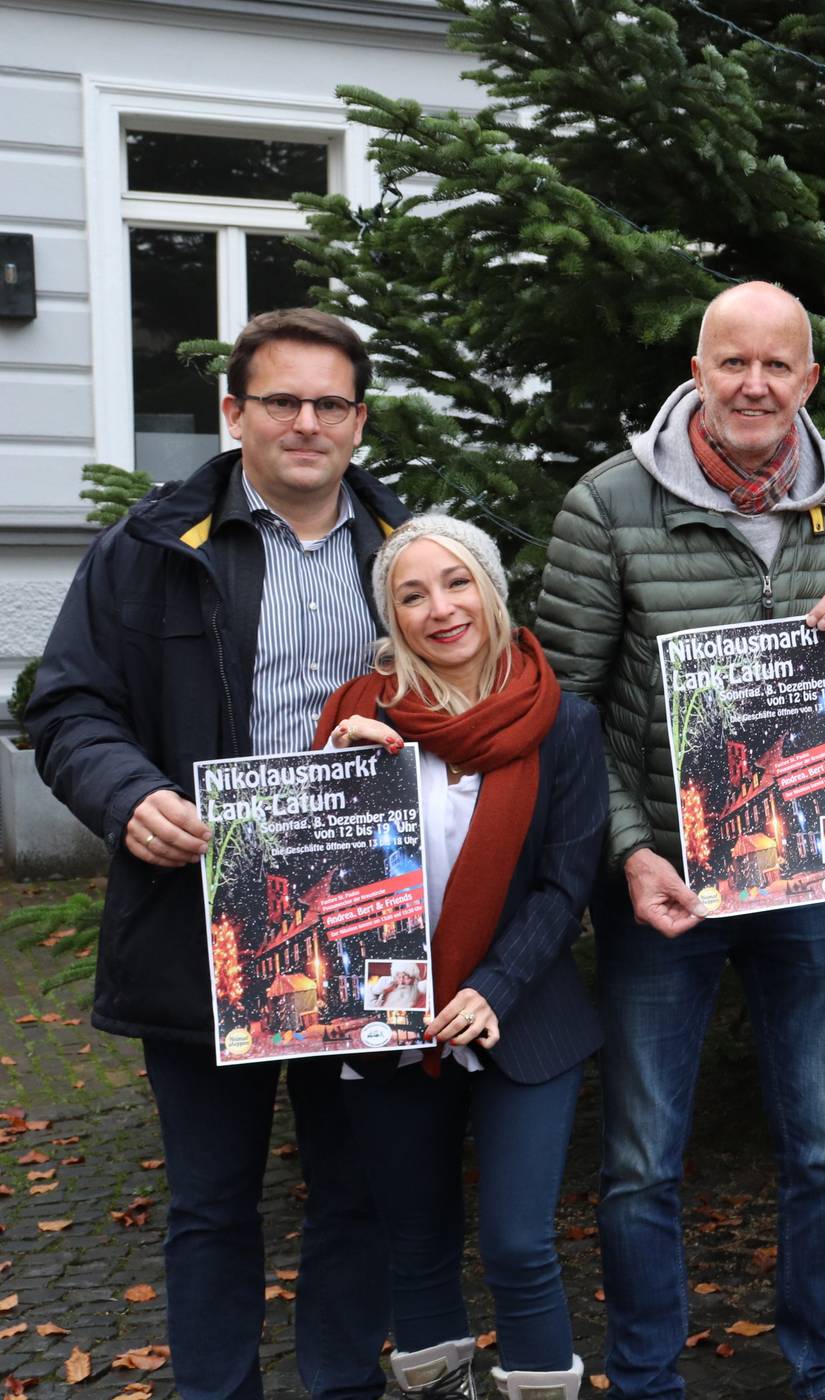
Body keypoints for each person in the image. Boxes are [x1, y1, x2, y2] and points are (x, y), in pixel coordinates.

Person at [25, 308, 407, 1400]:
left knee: (354, 1194)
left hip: (357, 922)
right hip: (196, 918)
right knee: (209, 1201)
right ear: (234, 412)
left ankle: (343, 1384)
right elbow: (68, 706)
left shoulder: (406, 553)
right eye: (281, 400)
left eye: (330, 403)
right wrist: (127, 793)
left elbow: (475, 707)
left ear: (358, 421)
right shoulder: (147, 549)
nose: (306, 422)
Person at [537, 281, 825, 1400]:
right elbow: (567, 709)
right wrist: (629, 852)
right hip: (662, 886)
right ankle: (645, 1378)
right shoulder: (607, 505)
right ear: (697, 368)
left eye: (778, 366)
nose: (754, 385)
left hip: (807, 875)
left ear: (810, 381)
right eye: (732, 362)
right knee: (641, 1162)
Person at [317, 514, 608, 1400]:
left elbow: (566, 885)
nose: (440, 609)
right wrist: (329, 778)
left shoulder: (562, 721)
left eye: (456, 583)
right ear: (390, 615)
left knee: (519, 1240)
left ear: (491, 589)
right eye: (412, 594)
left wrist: (494, 986)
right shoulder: (355, 718)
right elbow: (304, 885)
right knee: (416, 1237)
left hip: (524, 1017)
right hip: (390, 1019)